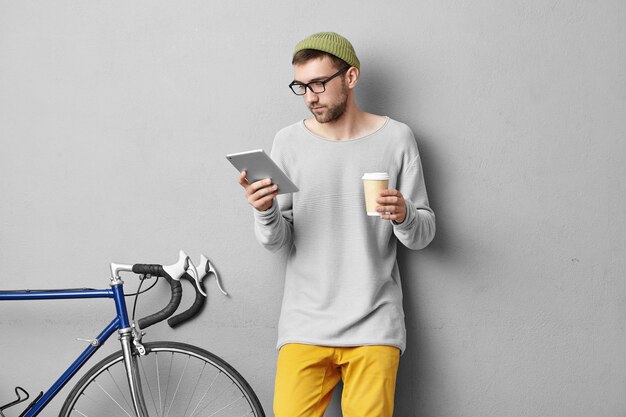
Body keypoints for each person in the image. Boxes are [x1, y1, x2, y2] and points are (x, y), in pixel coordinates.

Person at [238, 32, 436, 417]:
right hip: (304, 326)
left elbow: (423, 234)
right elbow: (279, 243)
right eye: (301, 86)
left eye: (319, 83)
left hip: (374, 326)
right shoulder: (288, 142)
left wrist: (404, 214)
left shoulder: (397, 138)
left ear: (350, 77)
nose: (310, 96)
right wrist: (265, 212)